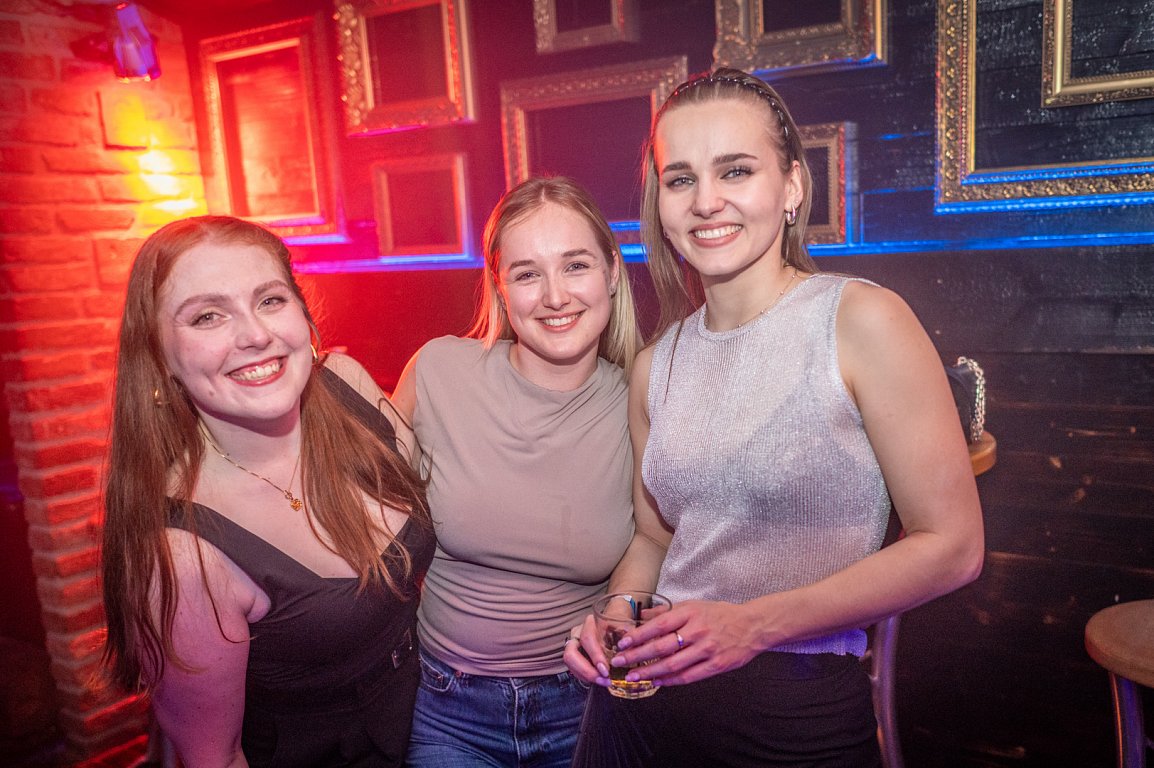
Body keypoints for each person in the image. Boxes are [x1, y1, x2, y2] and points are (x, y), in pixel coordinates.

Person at [564, 68, 986, 766]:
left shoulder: (860, 320)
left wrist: (753, 625)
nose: (706, 201)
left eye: (735, 170)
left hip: (793, 717)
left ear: (791, 187)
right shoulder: (656, 364)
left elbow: (954, 546)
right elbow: (655, 538)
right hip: (639, 714)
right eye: (680, 179)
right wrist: (617, 616)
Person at [100, 215, 436, 767]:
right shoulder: (183, 556)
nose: (255, 335)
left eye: (270, 300)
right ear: (159, 358)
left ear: (303, 313)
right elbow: (214, 757)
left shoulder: (346, 385)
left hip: (443, 718)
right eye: (208, 316)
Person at [389, 176, 642, 768]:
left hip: (584, 702)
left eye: (575, 265)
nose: (555, 296)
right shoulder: (439, 371)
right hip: (447, 707)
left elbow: (655, 537)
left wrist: (620, 612)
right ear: (500, 287)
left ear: (611, 271)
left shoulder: (642, 397)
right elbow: (362, 511)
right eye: (528, 274)